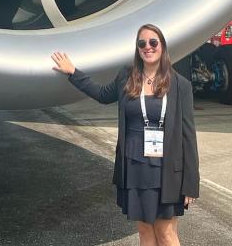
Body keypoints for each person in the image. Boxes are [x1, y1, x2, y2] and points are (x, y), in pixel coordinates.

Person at [52, 24, 199, 246]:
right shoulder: (127, 77)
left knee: (165, 231)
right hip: (135, 166)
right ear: (137, 49)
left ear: (162, 47)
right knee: (144, 230)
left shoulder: (180, 85)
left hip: (166, 170)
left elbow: (188, 136)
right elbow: (102, 94)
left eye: (153, 42)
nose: (147, 47)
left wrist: (190, 183)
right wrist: (74, 72)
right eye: (142, 43)